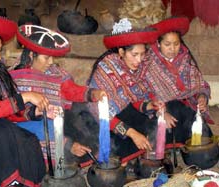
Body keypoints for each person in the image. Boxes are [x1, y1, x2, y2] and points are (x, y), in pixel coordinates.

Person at [86, 18, 212, 165]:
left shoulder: (137, 69)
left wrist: (152, 106)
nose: (139, 60)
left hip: (126, 116)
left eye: (143, 54)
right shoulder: (107, 69)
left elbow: (138, 99)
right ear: (121, 52)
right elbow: (100, 113)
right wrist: (133, 134)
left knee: (156, 126)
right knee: (123, 143)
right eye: (134, 54)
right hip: (103, 124)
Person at [0, 17, 54, 187]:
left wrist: (33, 112)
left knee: (27, 140)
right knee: (2, 134)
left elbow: (6, 110)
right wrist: (25, 97)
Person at [10, 24, 106, 164]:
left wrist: (93, 94)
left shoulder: (55, 73)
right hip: (26, 129)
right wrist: (68, 144)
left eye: (52, 58)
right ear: (31, 55)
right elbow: (16, 115)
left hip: (52, 123)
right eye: (46, 58)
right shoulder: (14, 78)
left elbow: (70, 90)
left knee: (83, 117)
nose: (51, 62)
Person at [146, 16, 214, 124]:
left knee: (202, 134)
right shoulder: (149, 63)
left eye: (176, 44)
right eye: (167, 44)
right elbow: (146, 93)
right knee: (175, 108)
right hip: (162, 111)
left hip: (187, 108)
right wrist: (160, 111)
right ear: (158, 44)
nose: (172, 49)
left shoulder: (186, 60)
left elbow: (200, 85)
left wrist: (201, 97)